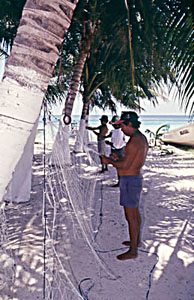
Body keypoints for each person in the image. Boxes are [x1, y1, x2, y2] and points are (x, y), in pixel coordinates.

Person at [101, 111, 148, 260]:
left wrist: (109, 161)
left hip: (130, 180)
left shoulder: (135, 141)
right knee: (135, 213)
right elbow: (129, 161)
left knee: (131, 216)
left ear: (129, 124)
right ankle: (136, 241)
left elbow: (125, 166)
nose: (121, 130)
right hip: (134, 178)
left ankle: (133, 250)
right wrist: (118, 157)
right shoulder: (139, 138)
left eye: (122, 126)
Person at [105, 115, 126, 187]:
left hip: (118, 151)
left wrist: (109, 143)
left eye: (114, 125)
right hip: (122, 149)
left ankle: (120, 183)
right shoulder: (120, 130)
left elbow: (116, 145)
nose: (113, 126)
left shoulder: (118, 132)